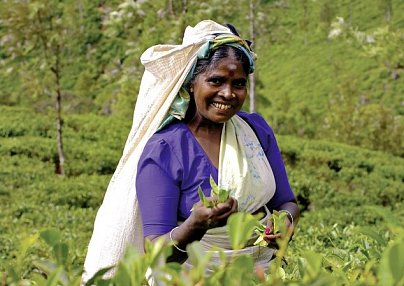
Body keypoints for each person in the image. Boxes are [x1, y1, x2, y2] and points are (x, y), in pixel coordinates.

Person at [83, 19, 299, 282]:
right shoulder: (166, 149)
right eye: (216, 81)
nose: (228, 93)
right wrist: (195, 225)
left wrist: (285, 222)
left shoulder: (255, 130)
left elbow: (286, 201)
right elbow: (156, 251)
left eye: (239, 84)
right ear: (191, 83)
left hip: (260, 273)